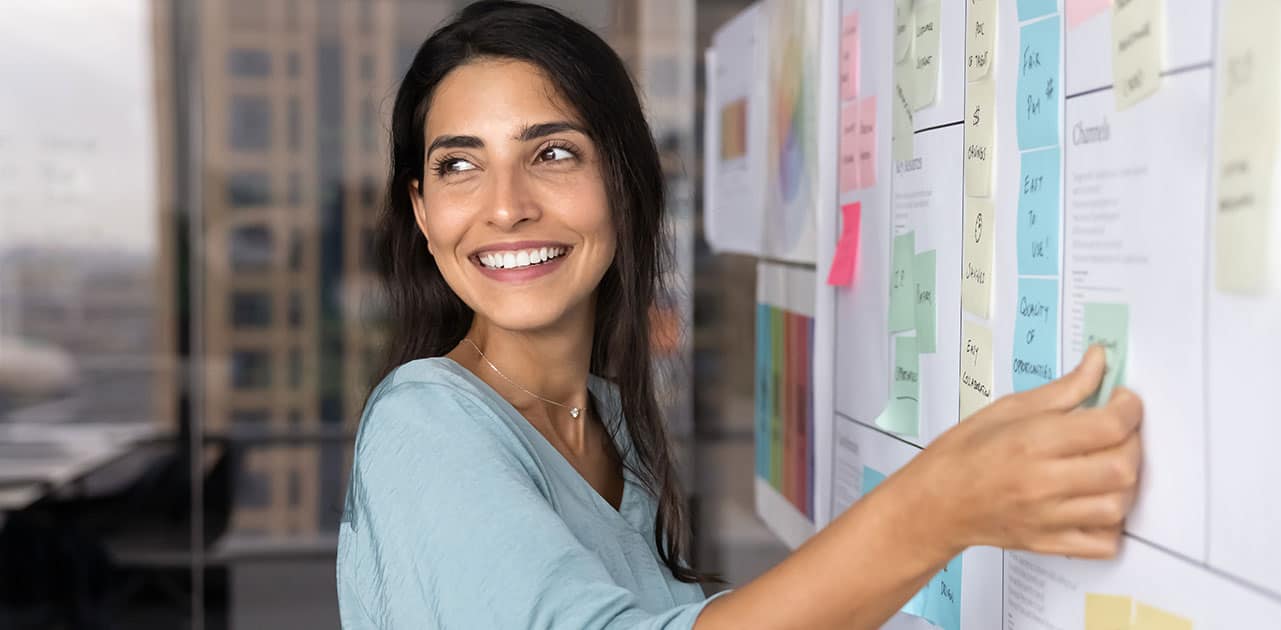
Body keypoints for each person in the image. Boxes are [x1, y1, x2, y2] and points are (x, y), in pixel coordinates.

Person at [335, 1, 1144, 628]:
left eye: (552, 153)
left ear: (622, 181)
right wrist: (936, 510)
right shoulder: (425, 425)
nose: (505, 208)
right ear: (421, 210)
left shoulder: (609, 421)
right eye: (459, 166)